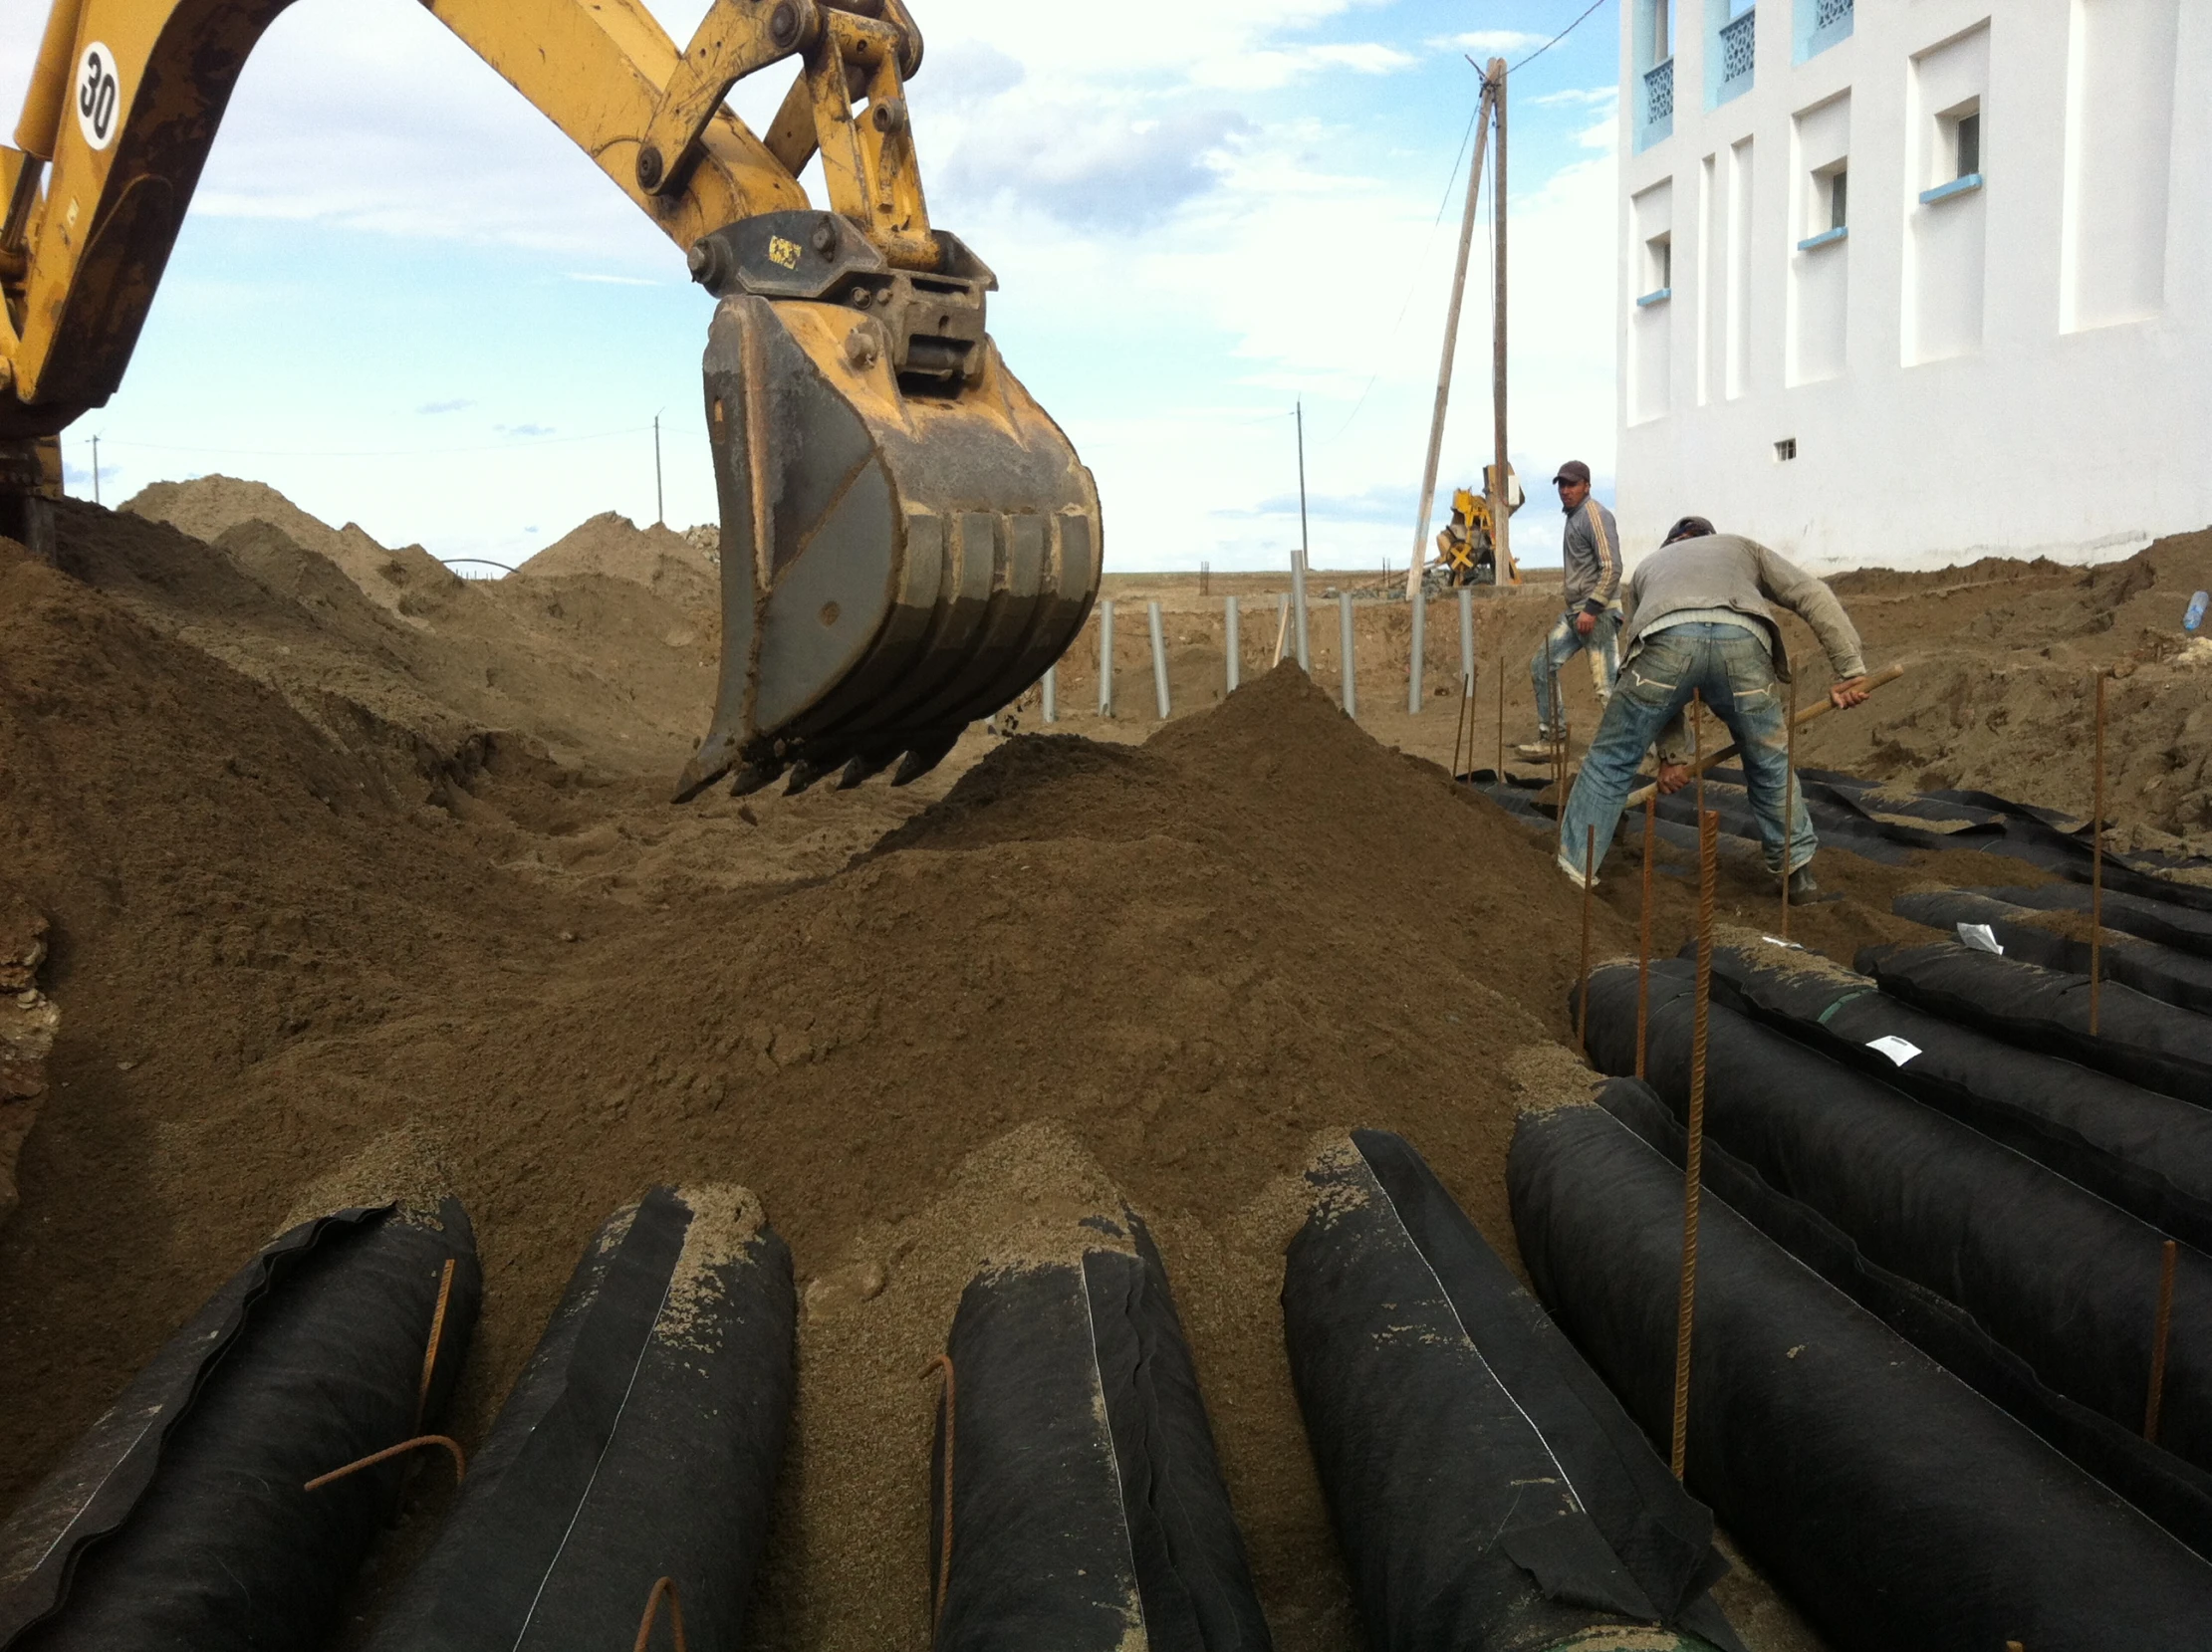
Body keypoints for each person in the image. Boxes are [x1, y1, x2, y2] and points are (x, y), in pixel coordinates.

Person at [1556, 515, 1872, 898]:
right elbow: (1811, 593)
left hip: (1665, 640)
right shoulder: (1740, 547)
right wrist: (1850, 667)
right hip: (1743, 641)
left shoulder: (1648, 568)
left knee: (1611, 761)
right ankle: (1798, 875)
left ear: (1671, 543)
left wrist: (1672, 755)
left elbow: (1646, 651)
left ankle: (1574, 874)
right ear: (1710, 537)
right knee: (1768, 760)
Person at [1522, 460, 1622, 756]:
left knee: (1606, 687)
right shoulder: (1574, 516)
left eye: (1572, 484)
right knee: (1542, 665)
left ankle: (1626, 751)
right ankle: (1553, 737)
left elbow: (1612, 567)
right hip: (1576, 611)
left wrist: (1592, 609)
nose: (1565, 491)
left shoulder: (1595, 515)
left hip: (1597, 613)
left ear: (1587, 486)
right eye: (1562, 485)